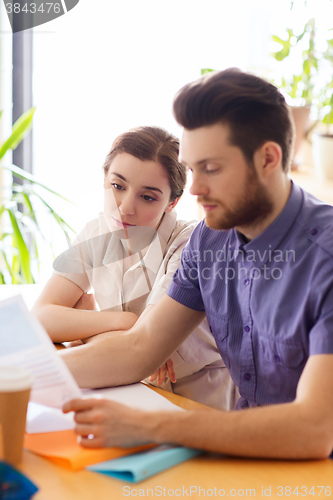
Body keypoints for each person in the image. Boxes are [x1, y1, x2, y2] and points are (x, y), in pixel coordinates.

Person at [61, 69, 333, 459]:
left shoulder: (325, 259)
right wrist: (26, 371)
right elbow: (140, 348)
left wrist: (149, 425)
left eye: (212, 169)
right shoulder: (211, 239)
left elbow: (313, 431)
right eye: (192, 168)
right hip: (245, 459)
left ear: (269, 159)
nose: (194, 190)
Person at [32, 126, 237, 411]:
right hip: (127, 385)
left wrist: (85, 326)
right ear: (104, 179)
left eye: (148, 197)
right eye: (117, 186)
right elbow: (41, 317)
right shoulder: (96, 232)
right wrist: (123, 323)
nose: (125, 208)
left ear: (172, 202)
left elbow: (138, 349)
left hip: (198, 394)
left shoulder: (189, 244)